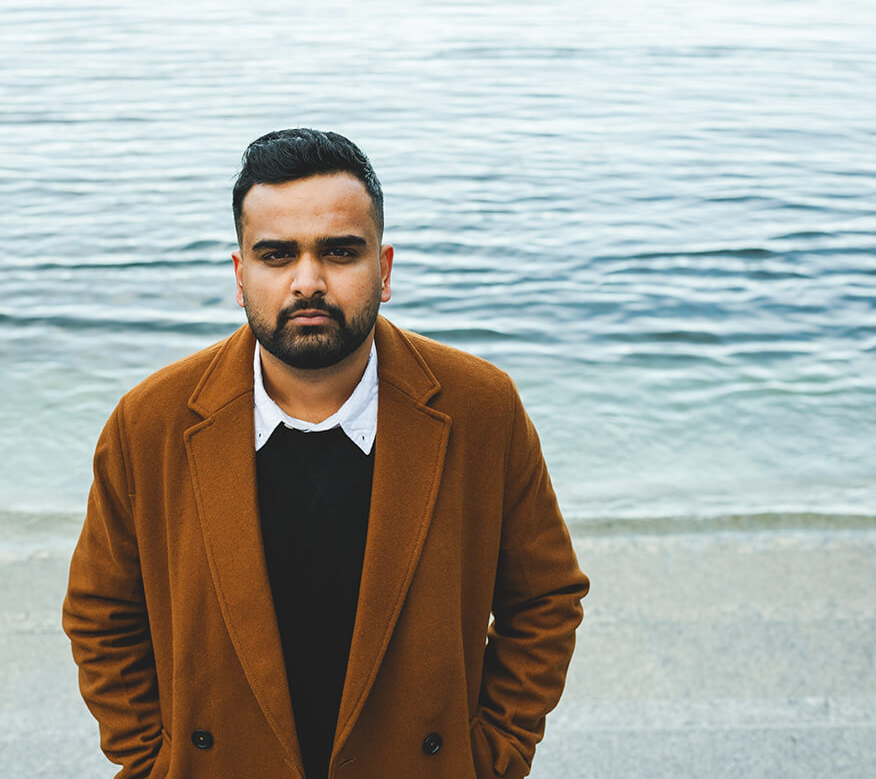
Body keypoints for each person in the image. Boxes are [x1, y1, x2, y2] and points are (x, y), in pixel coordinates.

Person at [63, 128, 589, 779]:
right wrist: (155, 763)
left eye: (339, 252)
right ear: (240, 274)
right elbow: (100, 614)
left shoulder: (481, 408)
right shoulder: (151, 423)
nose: (308, 282)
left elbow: (546, 599)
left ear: (385, 268)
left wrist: (487, 757)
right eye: (277, 255)